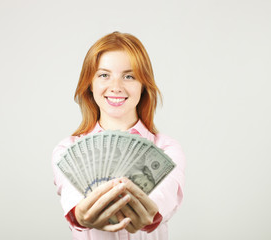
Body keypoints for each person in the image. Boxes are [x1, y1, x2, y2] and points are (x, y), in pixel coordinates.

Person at [52, 31, 185, 240]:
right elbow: (73, 201)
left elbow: (163, 201)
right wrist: (80, 214)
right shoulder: (66, 150)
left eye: (129, 76)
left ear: (143, 86)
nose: (116, 87)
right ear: (90, 83)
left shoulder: (167, 149)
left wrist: (150, 214)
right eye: (104, 75)